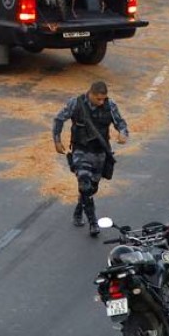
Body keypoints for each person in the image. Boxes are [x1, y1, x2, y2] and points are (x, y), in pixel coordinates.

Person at [52, 81, 129, 236]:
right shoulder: (76, 103)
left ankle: (79, 209)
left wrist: (123, 132)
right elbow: (59, 119)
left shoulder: (110, 105)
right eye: (98, 99)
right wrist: (57, 140)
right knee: (84, 184)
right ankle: (93, 223)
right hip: (81, 151)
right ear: (91, 94)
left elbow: (120, 122)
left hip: (100, 153)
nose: (101, 102)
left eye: (103, 99)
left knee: (91, 188)